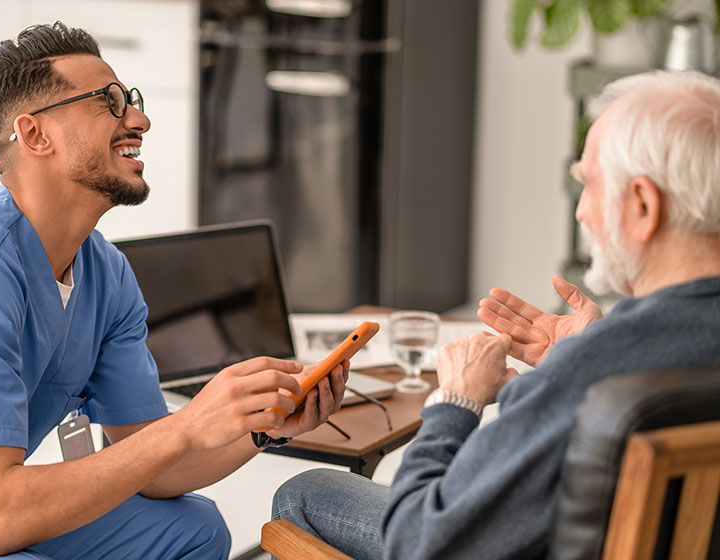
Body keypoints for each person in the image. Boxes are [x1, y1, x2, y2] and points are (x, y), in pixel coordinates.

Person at [0, 22, 349, 559]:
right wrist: (190, 423)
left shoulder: (105, 272)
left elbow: (156, 464)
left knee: (194, 529)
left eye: (133, 101)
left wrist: (263, 428)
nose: (140, 120)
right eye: (111, 102)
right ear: (34, 135)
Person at [271, 69, 720, 559]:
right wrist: (589, 353)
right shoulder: (611, 362)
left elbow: (419, 543)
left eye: (588, 186)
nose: (581, 213)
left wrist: (455, 402)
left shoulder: (592, 375)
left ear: (641, 205)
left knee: (305, 493)